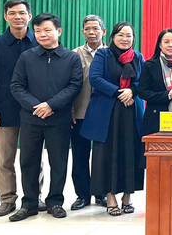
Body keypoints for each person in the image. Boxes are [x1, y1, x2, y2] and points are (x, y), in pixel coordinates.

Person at [9, 13, 83, 221]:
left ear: (58, 32)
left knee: (58, 162)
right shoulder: (27, 57)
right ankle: (30, 203)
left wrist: (51, 105)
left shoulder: (71, 57)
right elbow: (16, 86)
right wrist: (37, 106)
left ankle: (55, 201)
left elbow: (75, 85)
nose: (42, 34)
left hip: (58, 119)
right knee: (28, 162)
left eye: (47, 30)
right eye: (38, 30)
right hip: (31, 119)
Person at [0, 0, 47, 217]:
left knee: (33, 157)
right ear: (5, 16)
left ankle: (34, 197)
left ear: (29, 16)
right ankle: (7, 199)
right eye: (12, 13)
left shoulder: (40, 41)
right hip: (6, 109)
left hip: (35, 109)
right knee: (5, 158)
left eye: (22, 13)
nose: (17, 17)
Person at [80, 22, 145, 216]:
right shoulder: (103, 54)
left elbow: (144, 81)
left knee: (130, 153)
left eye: (129, 35)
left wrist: (132, 91)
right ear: (113, 37)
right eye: (121, 35)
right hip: (108, 112)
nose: (125, 39)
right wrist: (118, 92)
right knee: (107, 154)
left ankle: (127, 196)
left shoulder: (138, 57)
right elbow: (95, 78)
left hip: (131, 111)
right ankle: (110, 197)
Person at [70, 15, 107, 210]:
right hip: (80, 113)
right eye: (87, 29)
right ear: (82, 32)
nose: (92, 32)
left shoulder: (112, 54)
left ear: (104, 31)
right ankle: (82, 195)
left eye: (95, 29)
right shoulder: (73, 55)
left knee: (102, 156)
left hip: (104, 115)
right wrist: (70, 110)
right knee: (80, 155)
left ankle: (101, 193)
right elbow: (67, 86)